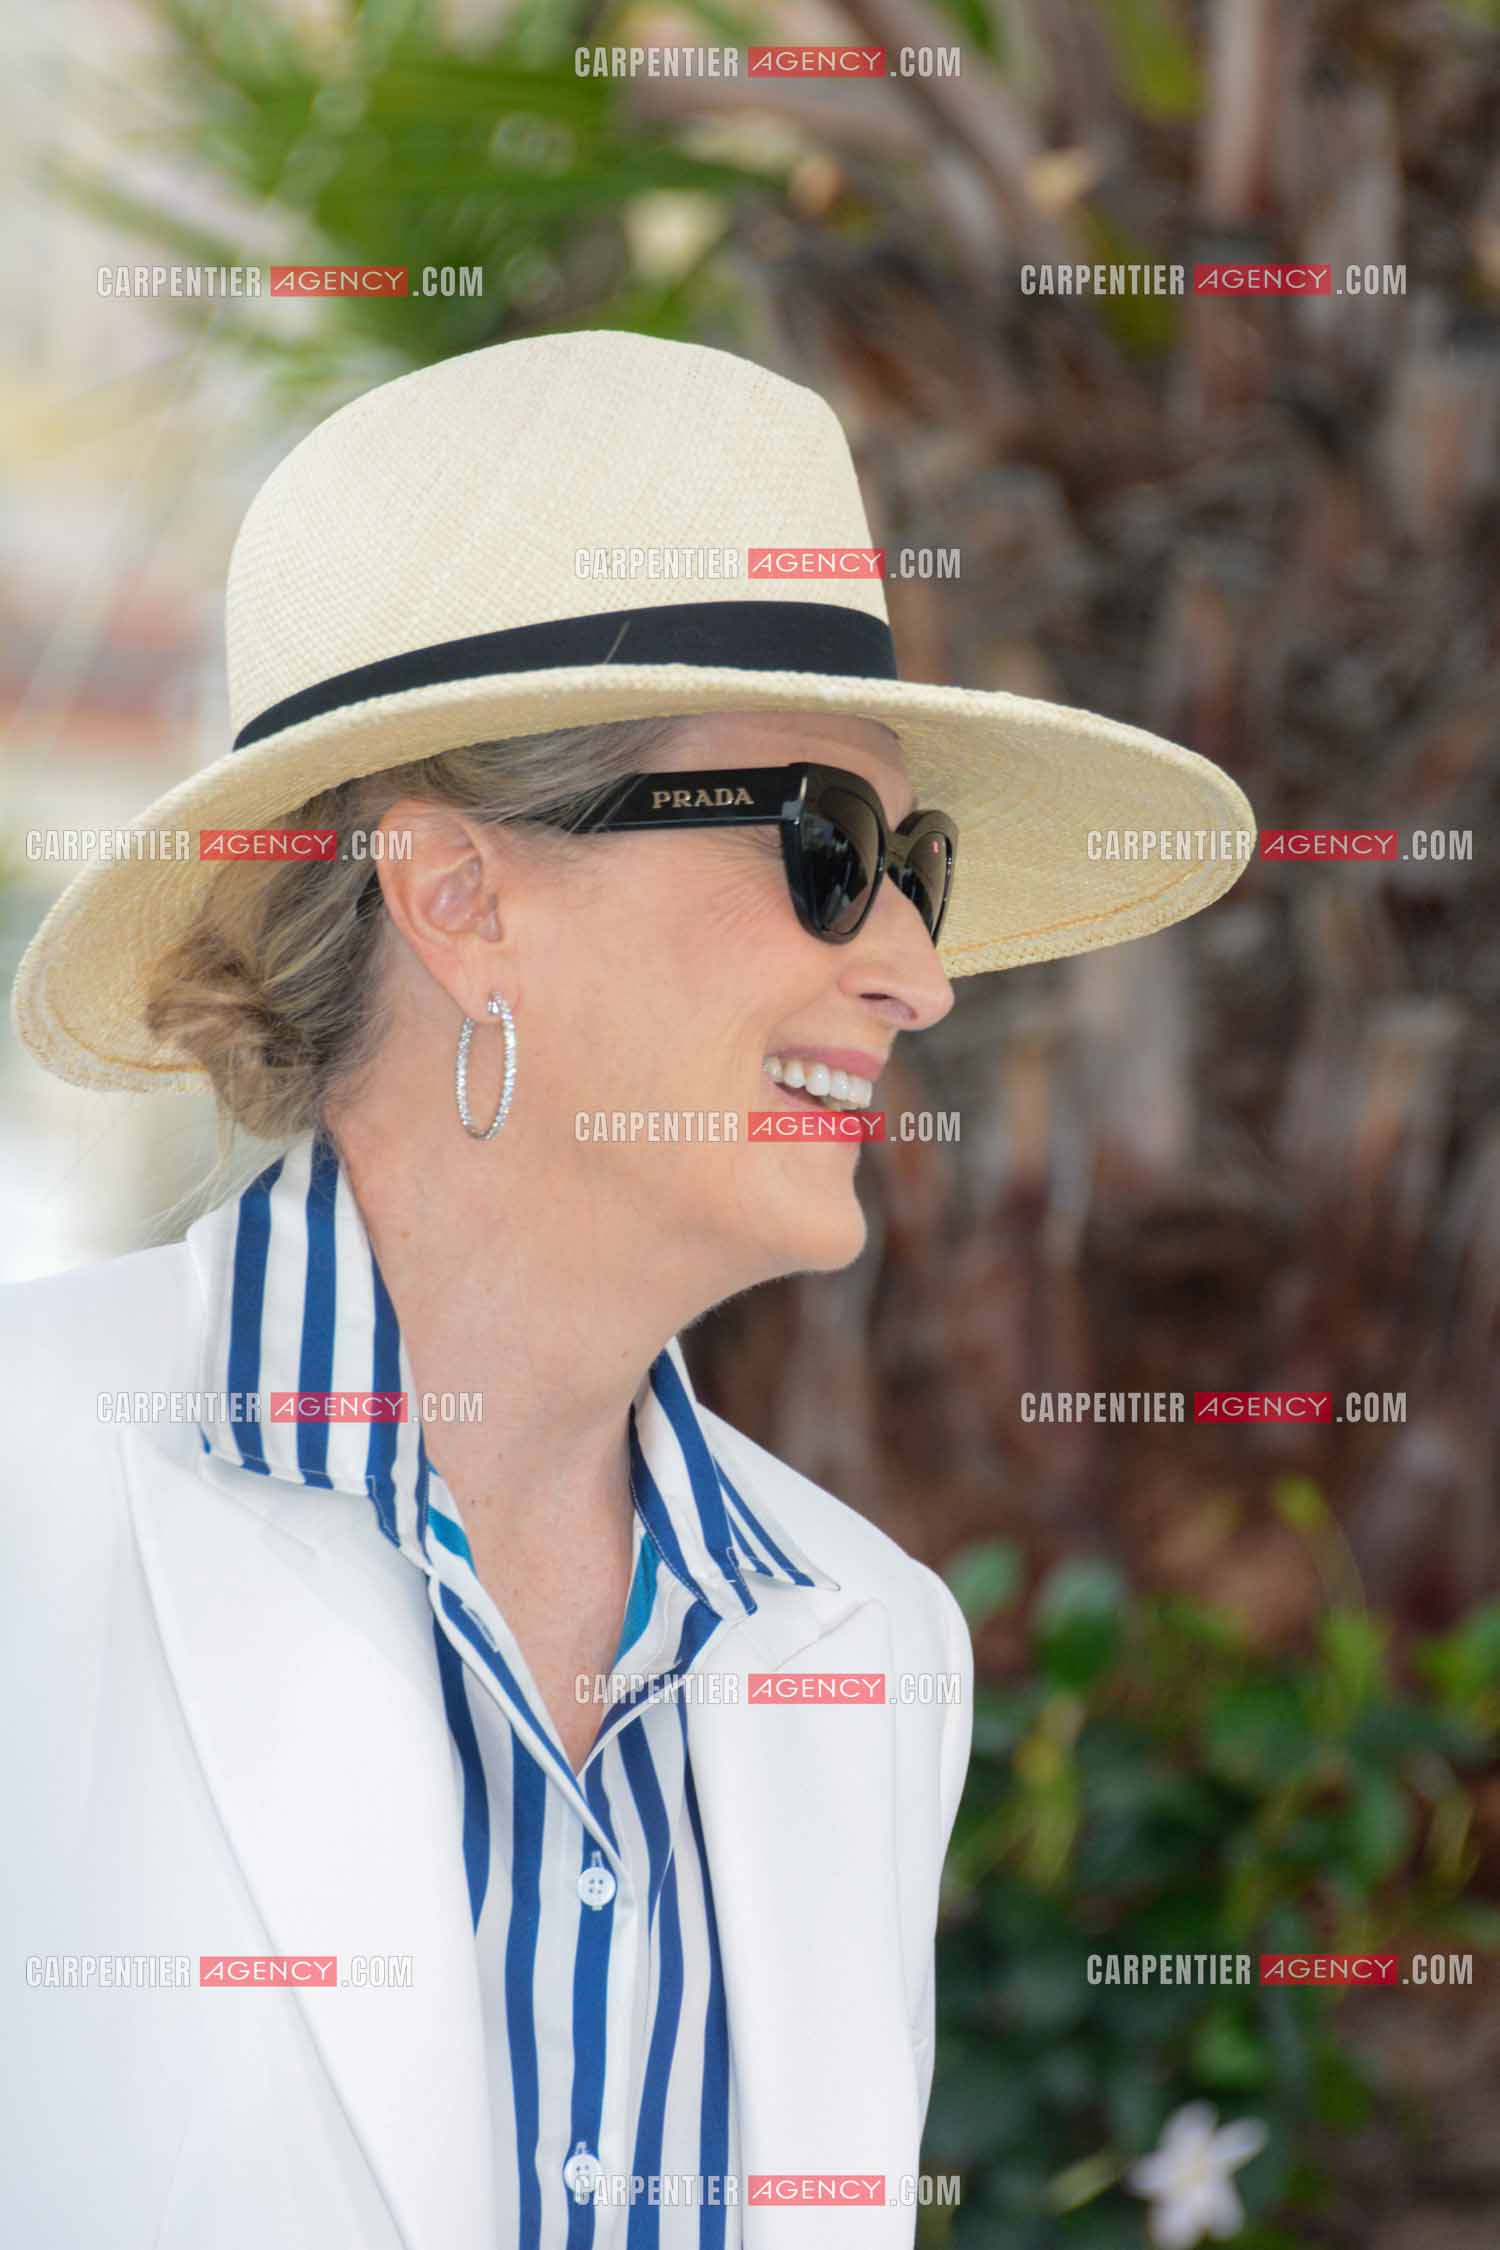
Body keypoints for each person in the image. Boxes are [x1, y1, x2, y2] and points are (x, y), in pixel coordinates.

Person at [0, 329, 1255, 2249]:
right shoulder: (30, 1493)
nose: (921, 973)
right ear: (460, 892)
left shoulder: (869, 1644)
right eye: (829, 852)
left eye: (911, 862)